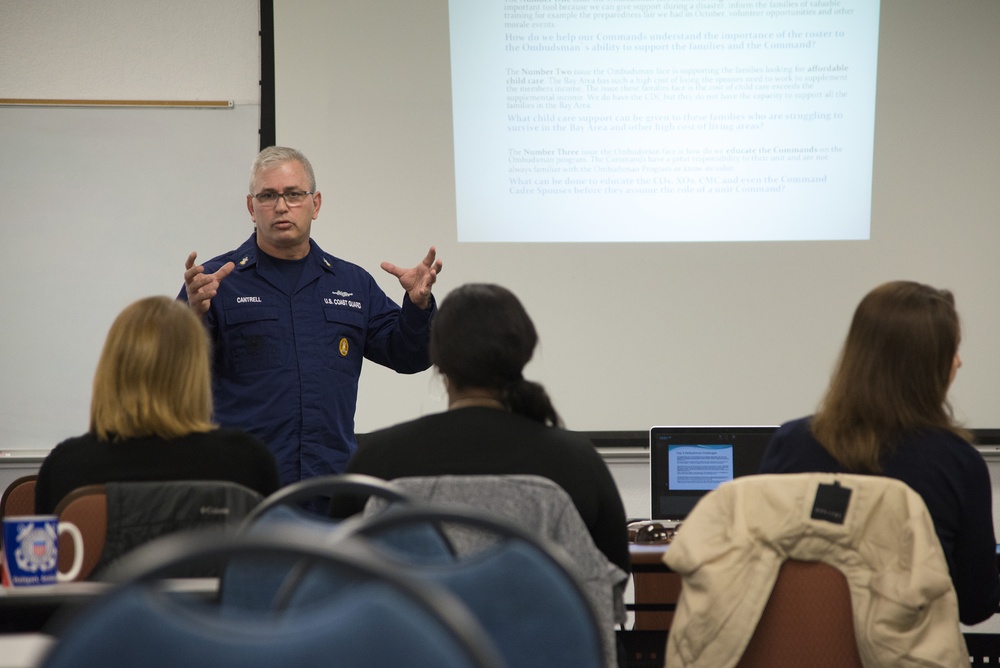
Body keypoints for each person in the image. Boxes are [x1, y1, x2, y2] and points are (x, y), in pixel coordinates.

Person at [180, 146, 441, 486]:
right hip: (243, 487)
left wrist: (418, 307)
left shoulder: (352, 283)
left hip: (329, 485)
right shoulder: (214, 282)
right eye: (268, 195)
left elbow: (409, 356)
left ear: (315, 204)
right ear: (251, 207)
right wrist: (190, 314)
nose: (281, 206)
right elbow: (171, 376)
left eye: (293, 194)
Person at [343, 283, 630, 573]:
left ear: (438, 359)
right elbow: (608, 578)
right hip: (536, 618)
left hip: (413, 619)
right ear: (524, 354)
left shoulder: (376, 462)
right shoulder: (577, 462)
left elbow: (338, 577)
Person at [759, 280, 999, 625]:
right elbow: (975, 605)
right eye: (952, 351)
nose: (959, 363)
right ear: (927, 366)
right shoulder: (958, 463)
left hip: (799, 651)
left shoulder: (791, 442)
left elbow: (762, 569)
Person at [35, 296, 280, 514]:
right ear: (195, 372)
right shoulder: (247, 461)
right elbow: (268, 562)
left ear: (111, 369)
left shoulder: (66, 468)